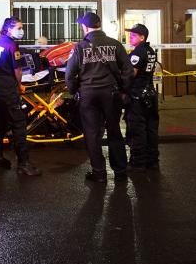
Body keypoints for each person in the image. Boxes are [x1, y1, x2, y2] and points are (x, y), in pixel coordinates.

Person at [65, 12, 134, 183]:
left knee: (92, 133)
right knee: (114, 131)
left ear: (85, 27)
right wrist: (124, 89)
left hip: (89, 95)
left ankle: (99, 172)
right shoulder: (115, 44)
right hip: (111, 94)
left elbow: (69, 74)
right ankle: (120, 171)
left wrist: (74, 91)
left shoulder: (80, 47)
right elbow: (128, 70)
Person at [0, 17, 41, 176]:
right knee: (18, 123)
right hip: (8, 86)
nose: (21, 30)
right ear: (9, 28)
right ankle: (23, 164)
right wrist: (19, 85)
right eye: (19, 27)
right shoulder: (12, 45)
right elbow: (17, 70)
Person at [125, 23, 160, 171]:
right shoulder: (150, 50)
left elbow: (131, 74)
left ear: (142, 37)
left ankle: (138, 163)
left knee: (137, 129)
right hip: (151, 95)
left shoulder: (137, 52)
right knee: (151, 129)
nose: (130, 37)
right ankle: (152, 161)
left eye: (133, 35)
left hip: (138, 96)